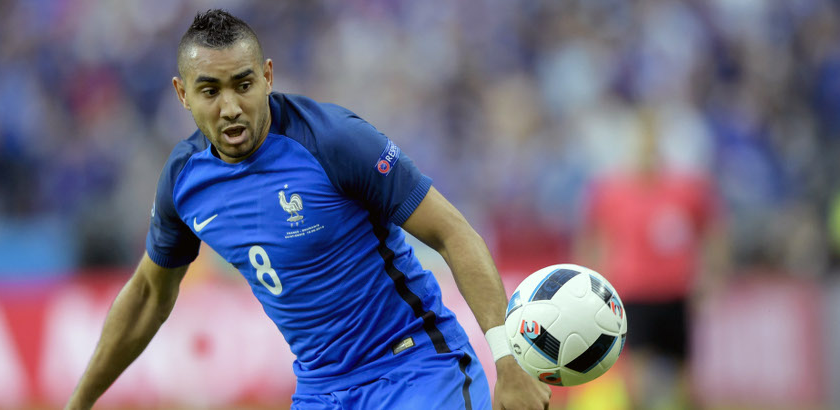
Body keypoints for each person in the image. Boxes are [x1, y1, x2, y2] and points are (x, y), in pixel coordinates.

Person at [65, 9, 551, 410]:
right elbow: (150, 295)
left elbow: (453, 233)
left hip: (415, 370)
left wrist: (506, 358)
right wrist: (79, 403)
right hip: (321, 391)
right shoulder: (184, 181)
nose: (231, 106)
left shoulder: (334, 141)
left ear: (268, 76)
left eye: (244, 84)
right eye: (211, 91)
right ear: (182, 94)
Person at [575, 110, 728, 409]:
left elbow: (714, 230)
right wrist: (593, 282)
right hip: (634, 293)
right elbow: (589, 235)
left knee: (686, 382)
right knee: (636, 380)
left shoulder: (686, 189)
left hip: (675, 292)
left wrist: (713, 276)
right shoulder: (610, 190)